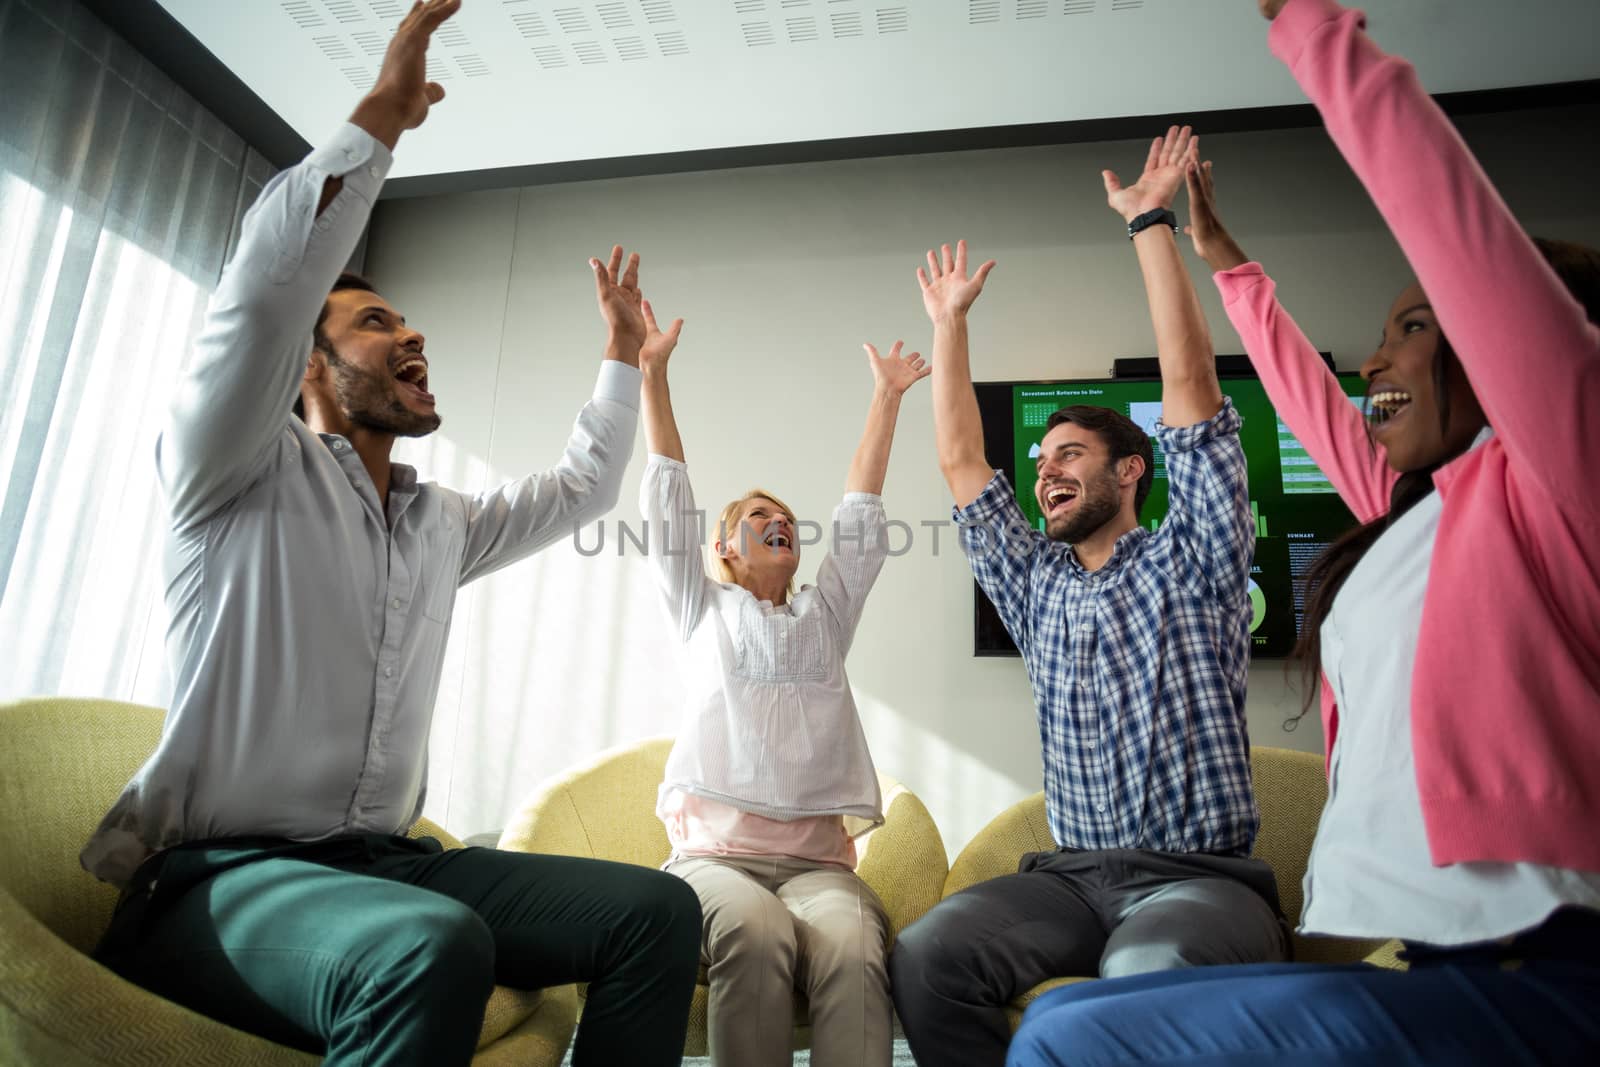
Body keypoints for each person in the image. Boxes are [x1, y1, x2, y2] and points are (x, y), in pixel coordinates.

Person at [80, 4, 700, 1064]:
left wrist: (622, 355)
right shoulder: (227, 468)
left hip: (388, 863)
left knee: (658, 911)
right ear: (307, 368)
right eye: (374, 322)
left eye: (408, 322)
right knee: (431, 942)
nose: (410, 330)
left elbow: (584, 489)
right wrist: (379, 120)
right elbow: (264, 293)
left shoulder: (438, 521)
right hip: (221, 881)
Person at [1006, 1, 1600, 1064]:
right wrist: (1216, 251)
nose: (1374, 363)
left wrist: (1314, 30)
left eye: (1411, 330)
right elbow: (1303, 392)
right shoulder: (1416, 511)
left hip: (1547, 959)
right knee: (1055, 1020)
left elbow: (1458, 234)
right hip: (1416, 955)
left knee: (1069, 1044)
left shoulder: (1561, 473)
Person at [890, 125, 1290, 1067]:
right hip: (1069, 881)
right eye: (1041, 461)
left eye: (1069, 454)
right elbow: (960, 460)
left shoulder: (1196, 555)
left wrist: (1150, 221)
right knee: (925, 952)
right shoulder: (1033, 585)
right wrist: (950, 324)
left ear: (1132, 470)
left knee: (1144, 969)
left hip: (1201, 881)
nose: (1045, 470)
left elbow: (1192, 387)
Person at [635, 299, 930, 1066]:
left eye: (788, 519)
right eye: (759, 516)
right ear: (726, 548)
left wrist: (888, 396)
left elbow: (860, 516)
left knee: (851, 947)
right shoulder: (700, 606)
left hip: (818, 867)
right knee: (756, 932)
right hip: (713, 864)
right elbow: (667, 496)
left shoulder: (825, 616)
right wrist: (652, 372)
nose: (780, 523)